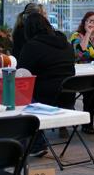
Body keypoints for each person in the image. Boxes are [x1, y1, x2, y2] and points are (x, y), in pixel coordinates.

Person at [17, 13, 75, 157]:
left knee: (16, 94)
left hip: (45, 99)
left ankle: (34, 143)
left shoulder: (32, 46)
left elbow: (21, 72)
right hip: (68, 97)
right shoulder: (66, 44)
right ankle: (35, 141)